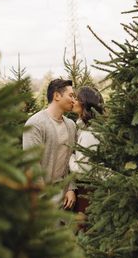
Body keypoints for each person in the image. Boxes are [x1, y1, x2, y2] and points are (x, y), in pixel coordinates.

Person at [23, 78, 76, 209]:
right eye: (71, 95)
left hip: (64, 195)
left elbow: (72, 158)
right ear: (57, 96)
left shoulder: (71, 125)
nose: (74, 100)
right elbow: (32, 164)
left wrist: (71, 188)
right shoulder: (35, 124)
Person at [69, 86, 104, 221]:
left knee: (84, 228)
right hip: (86, 188)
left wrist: (68, 156)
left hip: (90, 190)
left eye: (76, 98)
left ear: (85, 103)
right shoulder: (83, 127)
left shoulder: (91, 132)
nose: (73, 101)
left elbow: (84, 170)